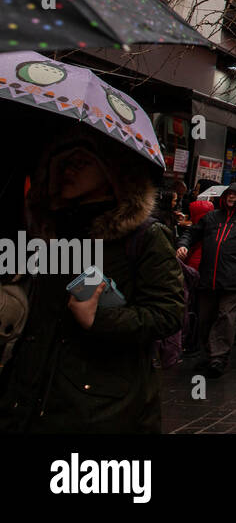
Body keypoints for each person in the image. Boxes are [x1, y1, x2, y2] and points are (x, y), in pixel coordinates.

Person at [0, 124, 185, 432]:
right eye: (63, 163)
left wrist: (100, 319)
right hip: (25, 400)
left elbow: (167, 314)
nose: (69, 171)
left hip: (100, 408)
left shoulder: (144, 236)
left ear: (112, 172)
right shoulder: (47, 230)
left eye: (81, 162)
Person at [177, 182, 236, 377]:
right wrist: (183, 244)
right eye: (230, 194)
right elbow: (192, 233)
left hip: (234, 280)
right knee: (206, 318)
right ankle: (208, 354)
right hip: (208, 278)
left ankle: (218, 358)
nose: (232, 198)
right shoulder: (212, 217)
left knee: (226, 318)